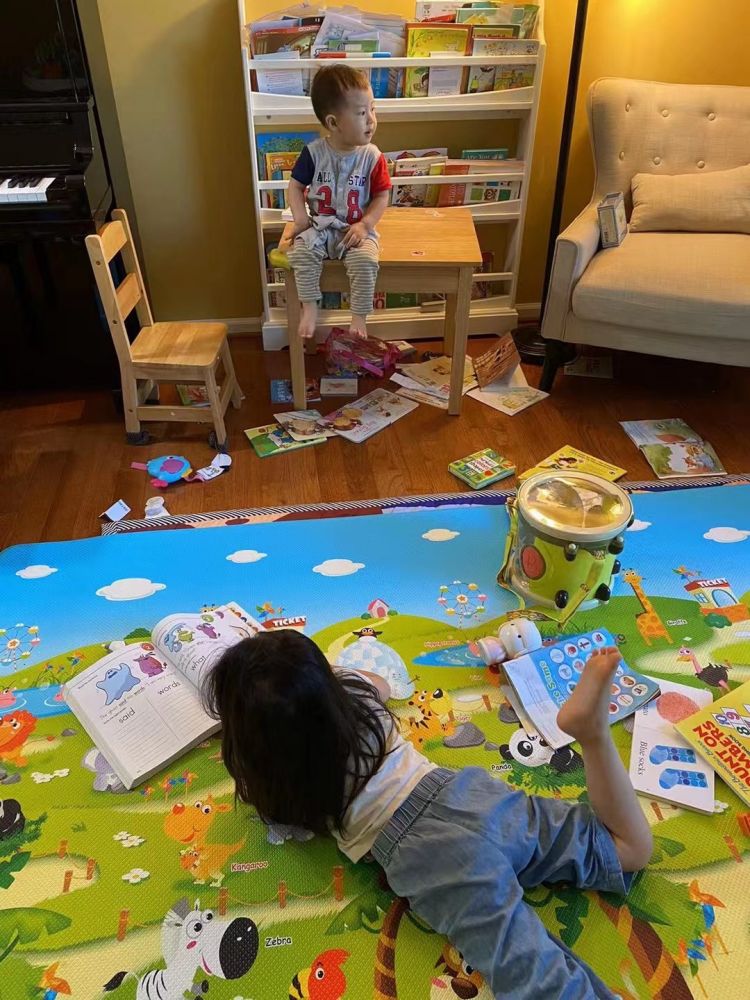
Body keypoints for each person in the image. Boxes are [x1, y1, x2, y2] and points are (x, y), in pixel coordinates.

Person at [204, 633, 652, 1000]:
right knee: (628, 849)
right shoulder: (358, 697)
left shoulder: (288, 787)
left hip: (428, 856)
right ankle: (593, 735)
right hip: (465, 795)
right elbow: (379, 682)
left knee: (528, 969)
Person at [286, 65, 392, 339]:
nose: (371, 120)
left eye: (373, 109)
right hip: (320, 228)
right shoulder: (313, 153)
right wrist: (300, 219)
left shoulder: (372, 157)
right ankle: (310, 306)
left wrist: (366, 224)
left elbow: (382, 195)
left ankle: (359, 317)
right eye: (361, 113)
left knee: (366, 261)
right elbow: (295, 186)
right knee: (300, 254)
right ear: (333, 123)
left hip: (355, 230)